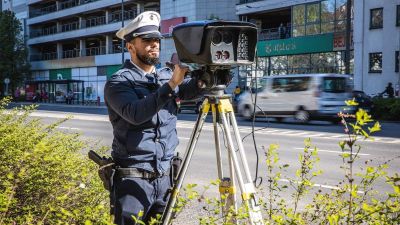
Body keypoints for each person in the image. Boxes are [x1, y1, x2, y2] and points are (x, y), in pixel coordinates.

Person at [104, 11, 203, 225]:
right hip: (133, 180)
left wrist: (208, 78)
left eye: (157, 40)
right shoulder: (119, 83)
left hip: (166, 177)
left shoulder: (166, 75)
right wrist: (171, 86)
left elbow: (189, 90)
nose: (154, 44)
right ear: (130, 46)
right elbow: (136, 114)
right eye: (147, 40)